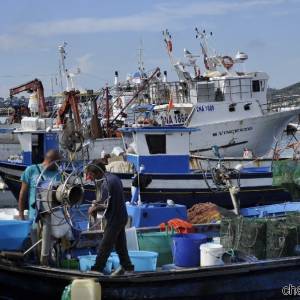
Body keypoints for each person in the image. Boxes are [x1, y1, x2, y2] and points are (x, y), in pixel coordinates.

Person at [85, 159, 134, 275]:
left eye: (90, 175)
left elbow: (105, 204)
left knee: (105, 246)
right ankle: (128, 267)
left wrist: (93, 208)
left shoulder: (106, 183)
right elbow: (109, 200)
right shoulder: (114, 178)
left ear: (96, 173)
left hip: (114, 219)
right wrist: (98, 204)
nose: (90, 178)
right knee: (120, 246)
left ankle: (97, 269)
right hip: (122, 217)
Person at [18, 149, 61, 222]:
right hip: (35, 217)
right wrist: (21, 216)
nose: (59, 164)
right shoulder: (31, 170)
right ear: (51, 161)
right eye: (58, 162)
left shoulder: (58, 174)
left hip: (54, 218)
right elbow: (22, 194)